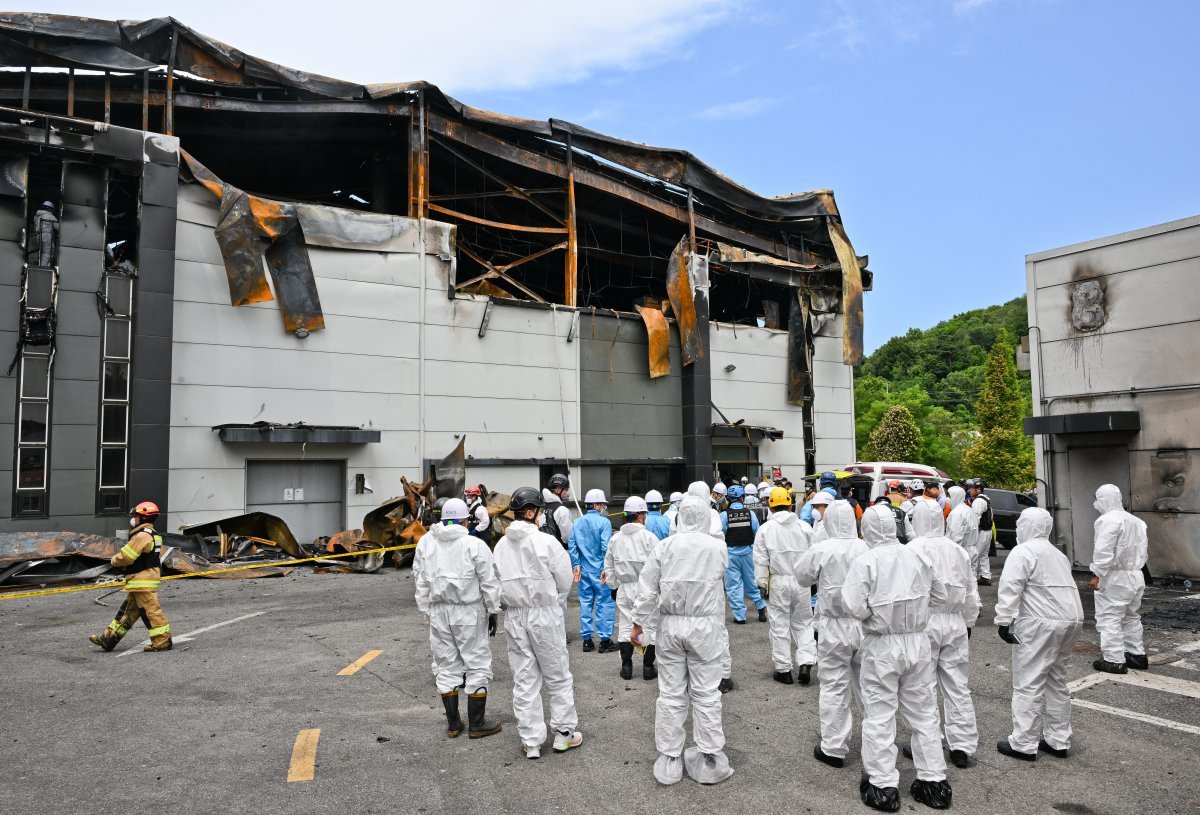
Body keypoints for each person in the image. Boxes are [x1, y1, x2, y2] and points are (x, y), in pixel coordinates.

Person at [843, 504, 952, 812]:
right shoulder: (917, 554)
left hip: (882, 644)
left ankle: (883, 786)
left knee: (879, 713)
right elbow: (941, 596)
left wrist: (873, 616)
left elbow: (852, 604)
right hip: (917, 643)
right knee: (924, 712)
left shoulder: (866, 561)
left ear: (866, 528)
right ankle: (934, 782)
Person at [632, 496, 734, 786]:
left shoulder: (664, 547)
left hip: (671, 626)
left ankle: (670, 759)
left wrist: (638, 624)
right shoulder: (717, 548)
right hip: (705, 627)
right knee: (706, 693)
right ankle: (710, 758)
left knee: (671, 693)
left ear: (677, 518)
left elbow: (647, 589)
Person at [493, 487, 582, 759]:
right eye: (540, 511)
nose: (543, 516)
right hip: (544, 614)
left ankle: (531, 741)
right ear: (531, 512)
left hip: (516, 617)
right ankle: (564, 734)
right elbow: (565, 580)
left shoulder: (500, 546)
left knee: (524, 679)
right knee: (557, 675)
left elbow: (495, 583)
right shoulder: (546, 543)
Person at [994, 507, 1084, 761]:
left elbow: (1011, 586)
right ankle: (1058, 740)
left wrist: (1004, 619)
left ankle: (1023, 743)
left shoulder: (1022, 551)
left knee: (1028, 681)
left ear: (1026, 525)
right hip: (1072, 620)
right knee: (1056, 680)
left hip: (1040, 622)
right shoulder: (1058, 554)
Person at [412, 497, 502, 739]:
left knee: (446, 665)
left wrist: (427, 610)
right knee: (477, 663)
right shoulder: (474, 545)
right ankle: (477, 723)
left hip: (439, 611)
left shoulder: (426, 543)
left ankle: (453, 723)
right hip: (469, 611)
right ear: (465, 520)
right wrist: (492, 610)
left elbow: (419, 578)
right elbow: (489, 581)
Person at [794, 500, 869, 769]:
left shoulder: (822, 549)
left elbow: (802, 577)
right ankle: (878, 743)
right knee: (870, 686)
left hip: (833, 626)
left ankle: (834, 747)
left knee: (834, 685)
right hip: (864, 624)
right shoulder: (866, 546)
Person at [906, 500, 981, 769]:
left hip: (925, 623)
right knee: (957, 684)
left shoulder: (913, 549)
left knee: (923, 685)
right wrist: (969, 620)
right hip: (956, 621)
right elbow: (970, 588)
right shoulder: (957, 550)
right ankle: (961, 744)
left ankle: (929, 740)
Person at [89, 502, 172, 653]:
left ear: (143, 517)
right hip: (142, 580)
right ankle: (109, 639)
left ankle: (162, 641)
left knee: (151, 611)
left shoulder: (142, 535)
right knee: (128, 612)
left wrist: (114, 560)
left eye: (136, 516)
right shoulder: (153, 534)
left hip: (142, 580)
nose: (133, 519)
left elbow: (127, 557)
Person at [753, 486, 816, 684]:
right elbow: (813, 556)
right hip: (801, 580)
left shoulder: (765, 529)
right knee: (804, 622)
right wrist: (812, 581)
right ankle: (805, 662)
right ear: (790, 505)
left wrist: (762, 584)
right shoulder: (804, 527)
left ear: (770, 507)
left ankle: (783, 670)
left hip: (778, 581)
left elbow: (761, 560)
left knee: (779, 625)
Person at [1089, 484, 1149, 674]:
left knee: (1109, 618)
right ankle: (1136, 655)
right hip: (1136, 575)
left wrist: (1096, 574)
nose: (1096, 504)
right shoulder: (1137, 521)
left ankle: (1114, 660)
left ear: (1103, 499)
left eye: (1098, 499)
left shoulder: (1107, 520)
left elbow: (1103, 551)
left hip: (1115, 577)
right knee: (1131, 616)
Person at [604, 496, 660, 680]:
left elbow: (609, 565)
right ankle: (647, 666)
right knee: (647, 626)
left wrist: (613, 585)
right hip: (646, 588)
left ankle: (626, 666)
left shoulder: (616, 538)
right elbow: (659, 565)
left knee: (626, 626)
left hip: (624, 588)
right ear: (641, 516)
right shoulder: (649, 538)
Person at [568, 489, 618, 653]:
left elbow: (572, 545)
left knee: (586, 603)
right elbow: (606, 548)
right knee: (604, 604)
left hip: (583, 571)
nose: (604, 507)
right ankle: (604, 640)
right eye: (602, 504)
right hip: (600, 571)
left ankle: (587, 640)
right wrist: (607, 568)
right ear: (596, 505)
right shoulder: (604, 523)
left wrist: (576, 566)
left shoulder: (577, 522)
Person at [721, 485, 766, 625]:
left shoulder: (723, 515)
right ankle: (761, 608)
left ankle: (740, 616)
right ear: (742, 498)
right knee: (752, 582)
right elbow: (756, 533)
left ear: (729, 498)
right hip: (748, 553)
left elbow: (720, 534)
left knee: (733, 586)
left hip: (731, 554)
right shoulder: (750, 514)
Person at [965, 479, 993, 585]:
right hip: (988, 531)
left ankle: (972, 577)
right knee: (984, 555)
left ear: (978, 489)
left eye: (971, 488)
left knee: (975, 555)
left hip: (982, 532)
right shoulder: (986, 498)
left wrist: (970, 532)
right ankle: (985, 576)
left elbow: (975, 518)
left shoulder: (978, 501)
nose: (969, 491)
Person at [541, 473, 574, 550]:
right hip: (559, 552)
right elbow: (568, 537)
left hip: (543, 550)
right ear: (558, 490)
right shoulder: (562, 510)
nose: (567, 493)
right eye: (565, 490)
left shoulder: (542, 508)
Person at [30, 200, 59, 267]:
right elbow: (58, 227)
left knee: (43, 252)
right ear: (50, 208)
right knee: (47, 254)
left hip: (38, 235)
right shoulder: (49, 216)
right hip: (46, 236)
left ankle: (43, 266)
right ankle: (44, 268)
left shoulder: (37, 216)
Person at [945, 485, 973, 555]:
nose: (947, 499)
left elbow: (956, 537)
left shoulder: (957, 513)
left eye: (949, 496)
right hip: (968, 550)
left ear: (955, 497)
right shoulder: (968, 509)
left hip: (958, 552)